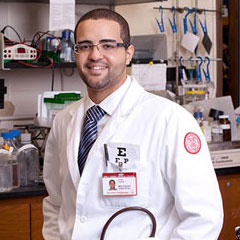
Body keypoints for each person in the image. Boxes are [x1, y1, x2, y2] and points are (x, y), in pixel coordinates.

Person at [42, 8, 223, 240]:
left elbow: (204, 218)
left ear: (128, 53)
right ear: (75, 53)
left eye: (108, 45)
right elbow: (56, 203)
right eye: (85, 46)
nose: (95, 55)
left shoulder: (170, 120)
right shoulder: (63, 121)